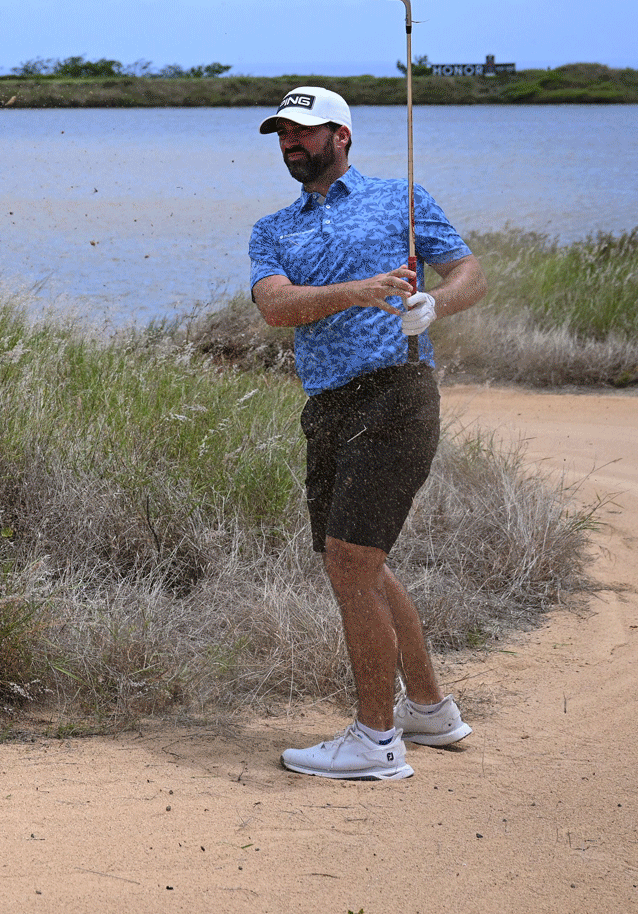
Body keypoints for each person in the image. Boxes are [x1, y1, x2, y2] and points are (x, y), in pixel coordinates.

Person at [247, 85, 486, 781]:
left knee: (352, 563)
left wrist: (432, 304)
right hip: (327, 406)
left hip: (397, 392)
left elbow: (469, 272)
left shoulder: (400, 198)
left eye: (304, 133)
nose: (291, 144)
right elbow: (274, 305)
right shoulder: (274, 229)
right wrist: (356, 291)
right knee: (358, 561)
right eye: (283, 134)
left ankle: (377, 741)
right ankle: (432, 712)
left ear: (341, 137)